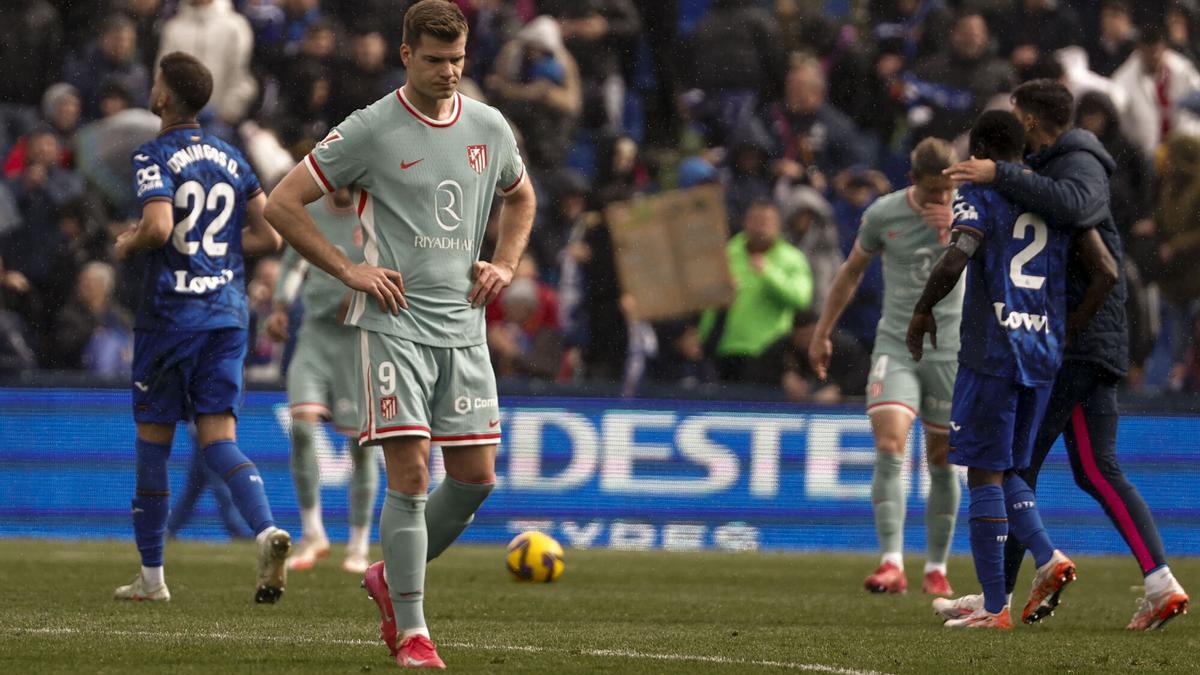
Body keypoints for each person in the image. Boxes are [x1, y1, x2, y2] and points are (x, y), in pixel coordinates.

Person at [263, 1, 536, 667]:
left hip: (465, 329)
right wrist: (350, 268)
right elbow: (280, 201)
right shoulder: (369, 129)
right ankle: (413, 630)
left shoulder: (489, 126)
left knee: (475, 479)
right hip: (394, 327)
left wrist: (504, 263)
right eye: (436, 60)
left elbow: (522, 196)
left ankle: (389, 574)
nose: (449, 72)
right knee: (410, 473)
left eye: (459, 60)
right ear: (406, 54)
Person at [943, 79, 1191, 630]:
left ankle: (996, 601)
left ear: (1030, 120)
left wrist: (1000, 174)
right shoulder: (1058, 164)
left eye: (1016, 114)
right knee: (1096, 469)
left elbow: (1084, 218)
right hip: (1085, 340)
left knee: (1013, 465)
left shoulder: (1078, 164)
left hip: (1072, 344)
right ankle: (1158, 581)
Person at [909, 110, 1117, 629]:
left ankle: (996, 606)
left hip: (993, 348)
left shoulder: (979, 191)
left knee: (984, 470)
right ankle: (1045, 558)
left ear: (978, 150)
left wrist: (922, 309)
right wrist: (1066, 328)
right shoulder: (1052, 194)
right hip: (1043, 351)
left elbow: (959, 253)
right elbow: (1105, 270)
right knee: (1008, 471)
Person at [111, 52, 288, 604]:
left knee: (153, 445)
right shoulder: (233, 157)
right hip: (227, 314)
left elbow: (160, 226)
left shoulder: (155, 154)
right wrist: (222, 251)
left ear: (163, 97)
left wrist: (128, 241)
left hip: (169, 318)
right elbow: (272, 236)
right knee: (219, 439)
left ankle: (152, 578)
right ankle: (265, 530)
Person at [808, 137, 962, 597]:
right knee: (890, 443)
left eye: (948, 191)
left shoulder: (968, 215)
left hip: (950, 351)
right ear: (913, 181)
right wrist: (822, 332)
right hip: (896, 346)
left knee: (942, 458)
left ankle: (936, 566)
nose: (941, 200)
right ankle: (891, 562)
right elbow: (851, 270)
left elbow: (998, 269)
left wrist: (956, 230)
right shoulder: (883, 214)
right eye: (934, 191)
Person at [266, 187, 379, 574]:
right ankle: (313, 532)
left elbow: (402, 267)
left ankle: (359, 544)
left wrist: (366, 299)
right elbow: (294, 263)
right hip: (315, 335)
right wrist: (280, 306)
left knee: (361, 446)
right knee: (301, 429)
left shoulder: (377, 211)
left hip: (357, 341)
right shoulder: (310, 211)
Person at [699, 199, 813, 382]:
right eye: (755, 221)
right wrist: (703, 336)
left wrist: (769, 274)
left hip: (772, 349)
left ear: (777, 225)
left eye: (766, 222)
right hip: (728, 347)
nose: (760, 228)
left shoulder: (792, 258)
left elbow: (801, 299)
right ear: (746, 222)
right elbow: (706, 299)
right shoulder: (727, 253)